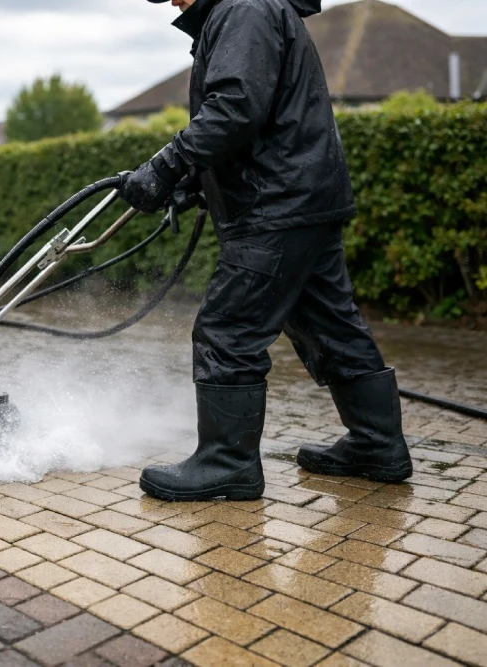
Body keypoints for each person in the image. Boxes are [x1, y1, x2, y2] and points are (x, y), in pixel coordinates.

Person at [119, 0, 413, 501]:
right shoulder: (251, 6)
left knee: (227, 328)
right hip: (300, 200)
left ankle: (227, 463)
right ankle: (377, 445)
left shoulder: (243, 6)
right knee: (329, 323)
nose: (170, 1)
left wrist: (167, 166)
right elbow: (261, 116)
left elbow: (236, 106)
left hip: (274, 206)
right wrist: (193, 182)